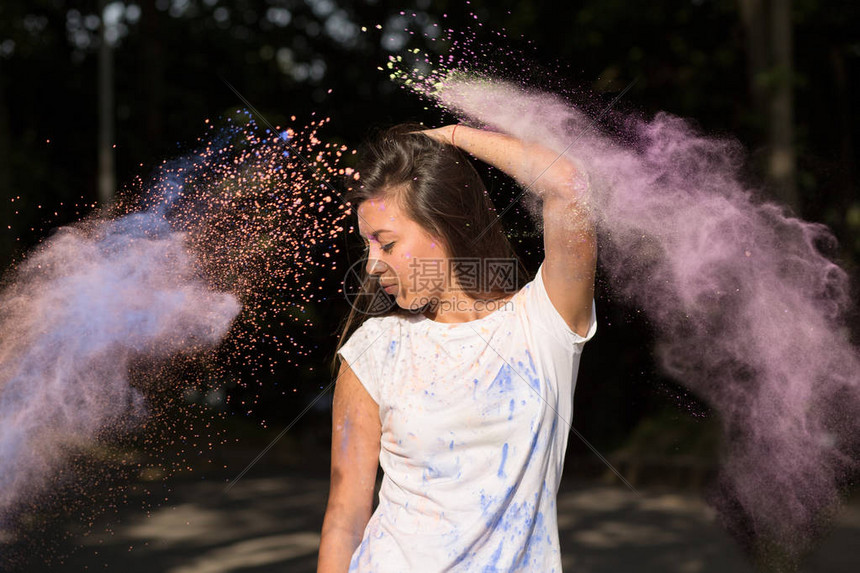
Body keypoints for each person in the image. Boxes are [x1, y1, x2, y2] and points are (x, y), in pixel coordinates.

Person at [317, 122, 597, 572]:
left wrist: (451, 136)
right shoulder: (374, 348)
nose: (371, 265)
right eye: (367, 244)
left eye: (386, 243)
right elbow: (345, 518)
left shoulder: (543, 323)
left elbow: (567, 183)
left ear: (441, 226)